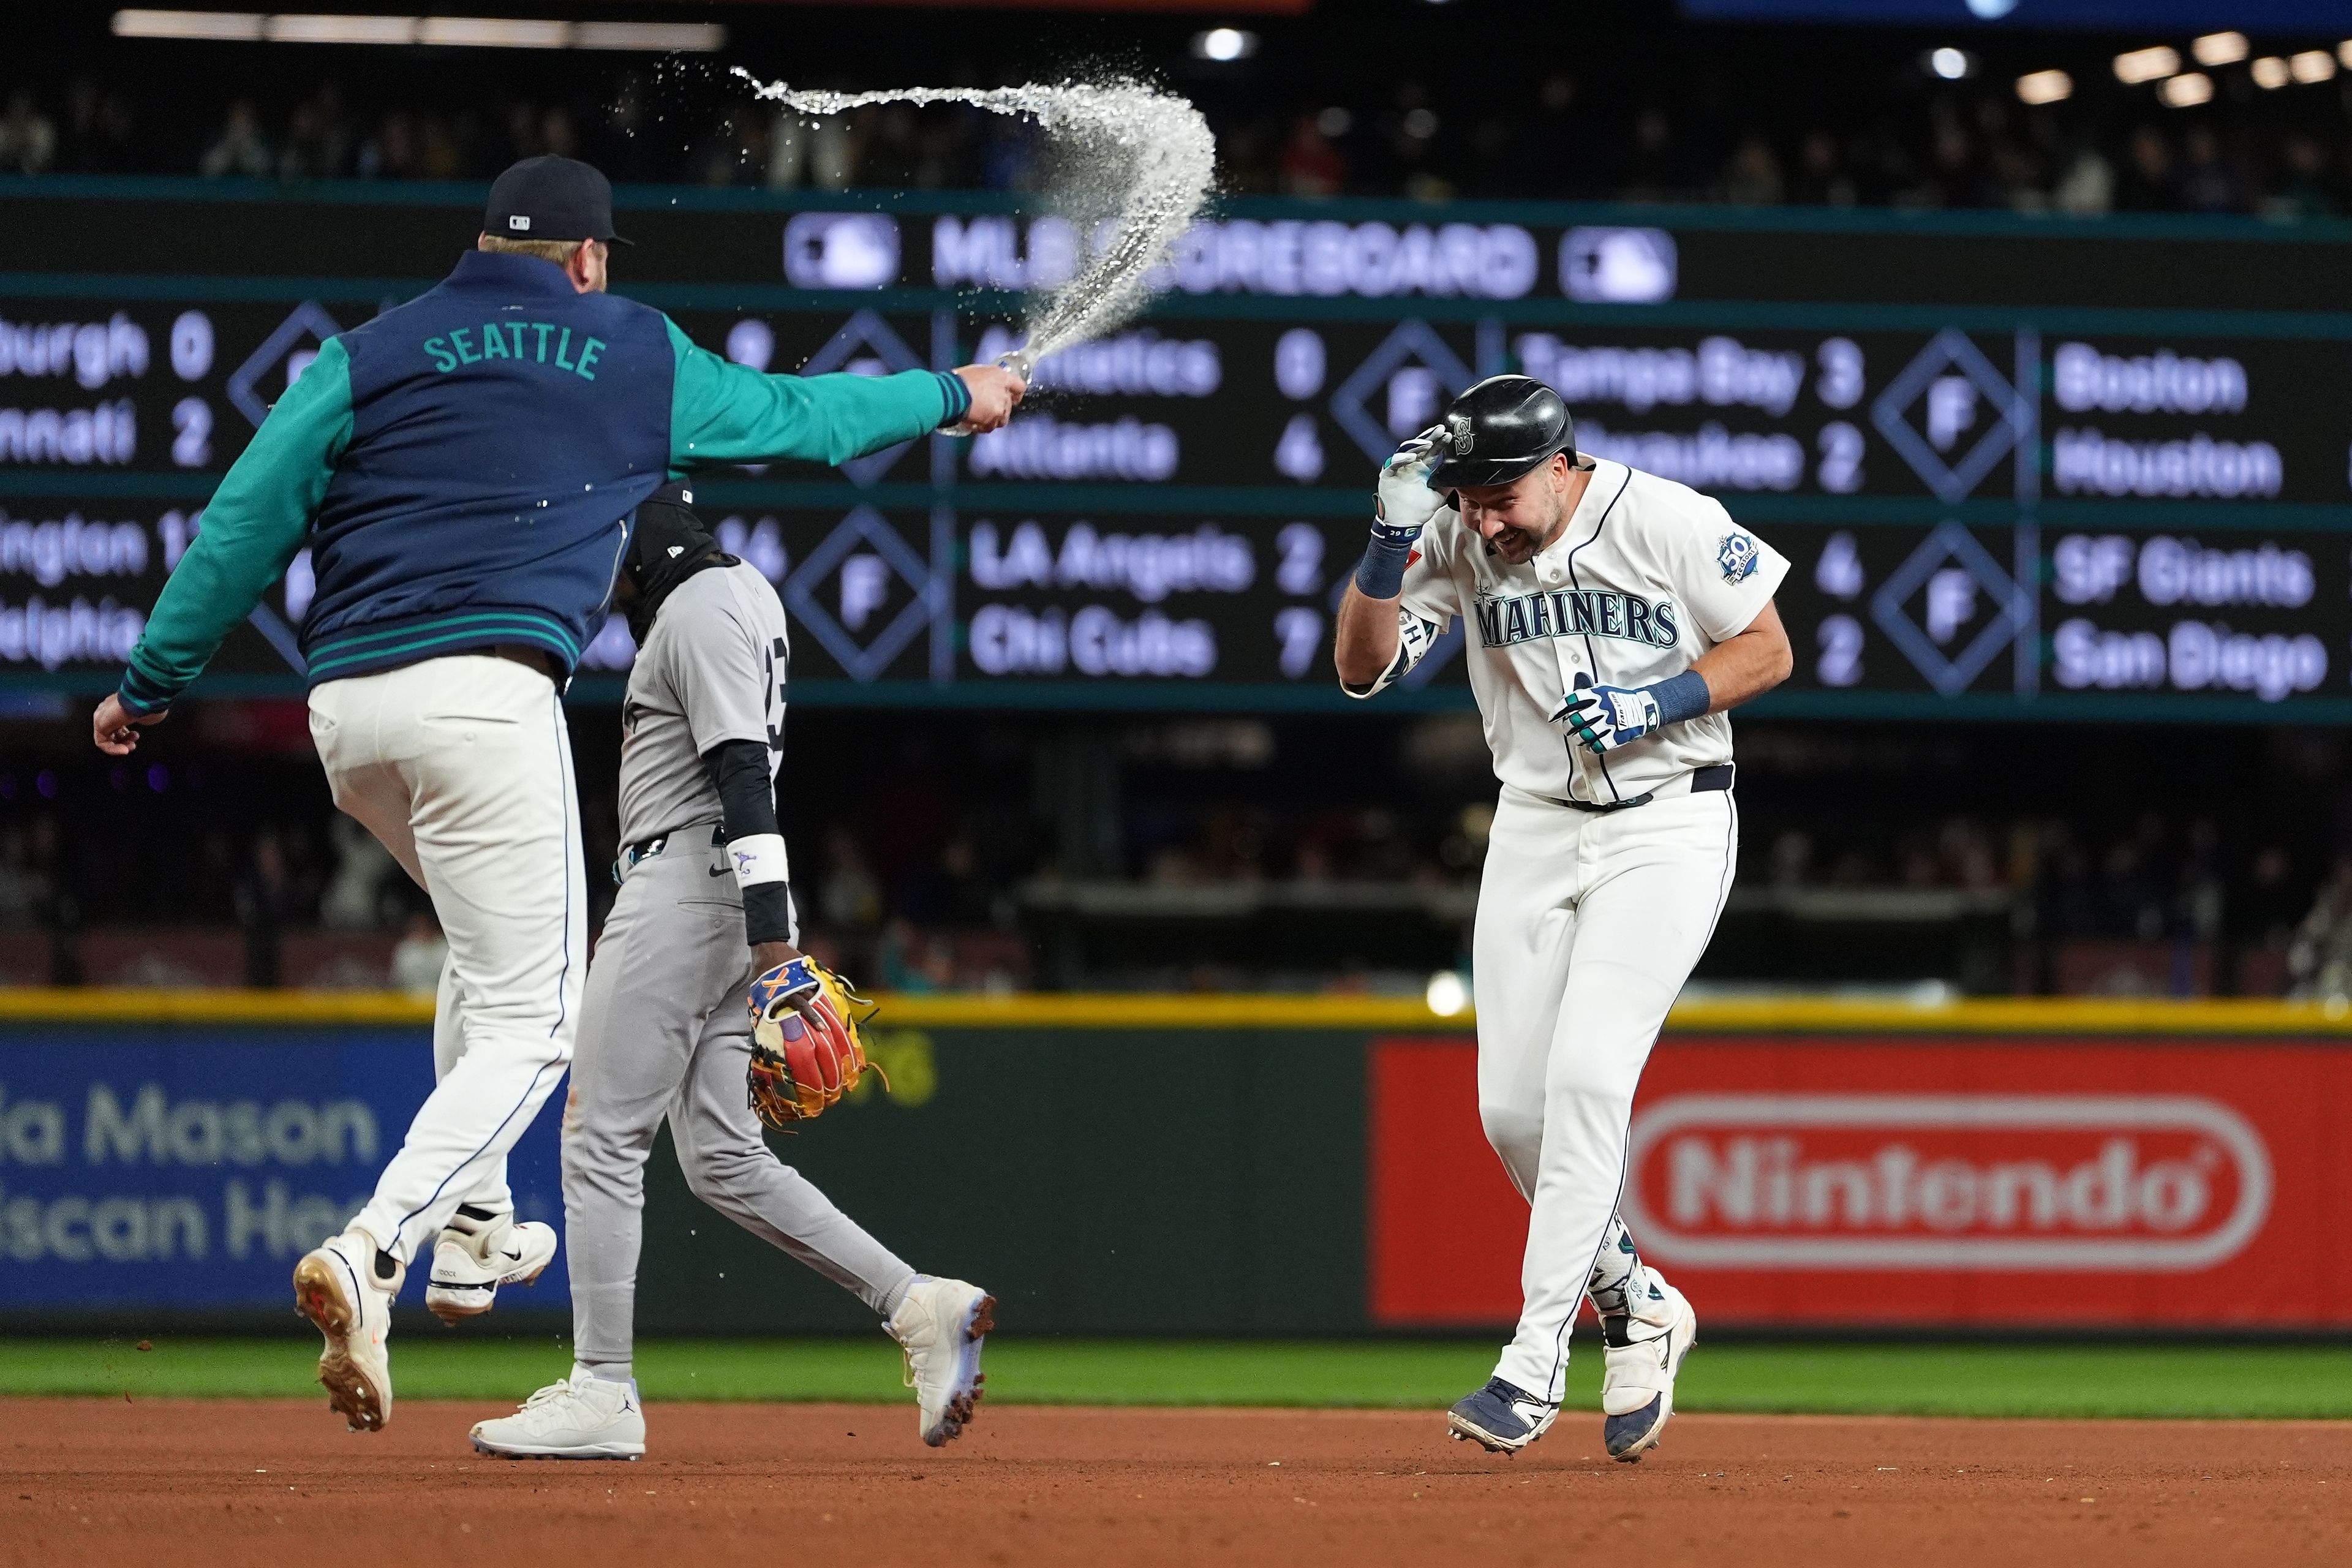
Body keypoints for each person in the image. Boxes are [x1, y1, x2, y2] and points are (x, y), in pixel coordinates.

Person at [89, 154, 1023, 1433]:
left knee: (486, 958)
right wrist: (951, 394)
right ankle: (378, 1248)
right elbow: (802, 419)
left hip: (349, 716)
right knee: (543, 1017)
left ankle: (478, 1225)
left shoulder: (373, 350)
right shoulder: (630, 349)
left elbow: (243, 520)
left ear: (480, 245)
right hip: (484, 700)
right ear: (589, 259)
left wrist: (151, 681)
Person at [469, 485, 992, 1460]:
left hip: (686, 888)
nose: (599, 576)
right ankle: (919, 1305)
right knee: (718, 1158)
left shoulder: (700, 605)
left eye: (604, 550)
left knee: (599, 1138)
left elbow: (744, 771)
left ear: (635, 538)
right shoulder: (741, 593)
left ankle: (602, 1390)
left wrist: (774, 942)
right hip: (709, 892)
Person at [1332, 375, 1791, 1460]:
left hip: (1668, 823)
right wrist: (1387, 543)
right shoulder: (1453, 531)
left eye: (1500, 494)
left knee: (1587, 1079)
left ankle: (1533, 1361)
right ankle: (1636, 1300)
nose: (1484, 517)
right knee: (1512, 1115)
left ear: (1561, 465)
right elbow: (1359, 672)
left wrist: (1658, 698)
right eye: (1468, 497)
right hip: (1535, 824)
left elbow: (1768, 648)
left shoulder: (1665, 517)